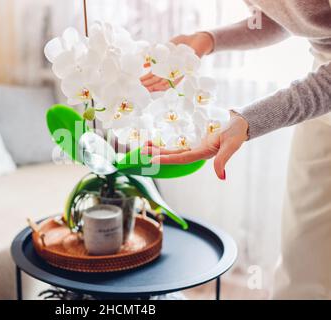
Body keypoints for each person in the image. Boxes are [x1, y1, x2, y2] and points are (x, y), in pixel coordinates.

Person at [141, 0, 331, 299]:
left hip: (324, 86)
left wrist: (247, 120)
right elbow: (292, 15)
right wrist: (207, 40)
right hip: (322, 79)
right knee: (302, 250)